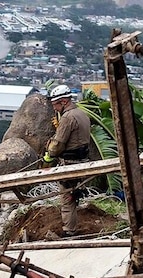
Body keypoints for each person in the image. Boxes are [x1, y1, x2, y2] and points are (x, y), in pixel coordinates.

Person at [41, 84, 96, 235]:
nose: (55, 109)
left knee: (66, 199)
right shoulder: (81, 114)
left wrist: (49, 155)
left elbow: (58, 143)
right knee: (73, 195)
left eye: (55, 105)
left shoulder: (67, 118)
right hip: (83, 161)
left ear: (64, 101)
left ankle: (69, 231)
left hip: (70, 164)